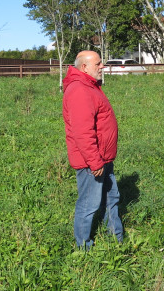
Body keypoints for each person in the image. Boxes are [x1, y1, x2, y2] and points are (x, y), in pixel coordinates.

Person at [62, 50, 123, 248]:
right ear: (84, 67)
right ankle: (83, 248)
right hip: (92, 161)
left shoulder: (89, 86)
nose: (102, 67)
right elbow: (82, 132)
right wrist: (95, 162)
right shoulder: (80, 90)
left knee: (111, 197)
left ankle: (116, 238)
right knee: (89, 204)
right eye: (98, 64)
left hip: (103, 157)